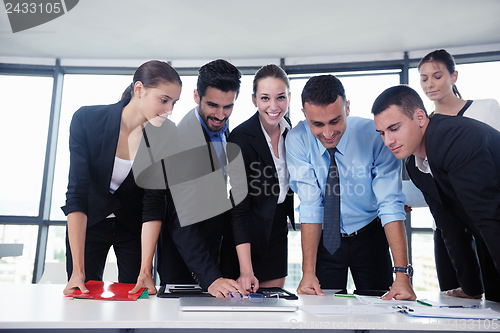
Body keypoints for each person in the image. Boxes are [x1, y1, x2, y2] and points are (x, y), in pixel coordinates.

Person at [285, 75, 416, 300]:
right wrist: (308, 273)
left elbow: (389, 203)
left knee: (380, 312)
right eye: (317, 124)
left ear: (347, 108)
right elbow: (310, 204)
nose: (327, 134)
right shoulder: (297, 140)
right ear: (305, 115)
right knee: (322, 317)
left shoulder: (375, 137)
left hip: (369, 235)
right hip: (326, 240)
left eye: (335, 121)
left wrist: (402, 275)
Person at [61, 60, 182, 296]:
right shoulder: (87, 120)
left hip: (134, 227)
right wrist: (77, 269)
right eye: (164, 100)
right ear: (139, 89)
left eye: (174, 103)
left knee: (136, 297)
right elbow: (77, 192)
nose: (170, 110)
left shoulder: (166, 134)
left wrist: (146, 269)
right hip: (91, 222)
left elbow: (154, 201)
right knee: (82, 296)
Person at [372, 84, 500, 302]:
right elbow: (449, 224)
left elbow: (490, 218)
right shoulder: (415, 165)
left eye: (394, 128)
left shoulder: (456, 140)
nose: (388, 141)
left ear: (420, 117)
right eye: (382, 133)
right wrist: (471, 287)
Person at [413, 49, 500, 299]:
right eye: (424, 78)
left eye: (437, 76)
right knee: (455, 297)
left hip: (486, 215)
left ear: (454, 76)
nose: (430, 84)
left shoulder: (485, 109)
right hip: (448, 226)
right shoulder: (424, 126)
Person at [154, 59, 246, 297]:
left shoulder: (221, 125)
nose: (220, 115)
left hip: (213, 253)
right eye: (213, 105)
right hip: (185, 264)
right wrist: (211, 277)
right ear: (196, 96)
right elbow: (181, 222)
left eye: (228, 107)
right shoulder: (181, 142)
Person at [220, 64, 295, 293]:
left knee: (273, 307)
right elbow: (239, 209)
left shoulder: (290, 132)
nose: (274, 106)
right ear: (254, 100)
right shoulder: (240, 138)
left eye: (281, 97)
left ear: (289, 97)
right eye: (265, 98)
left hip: (277, 229)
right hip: (246, 235)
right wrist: (246, 269)